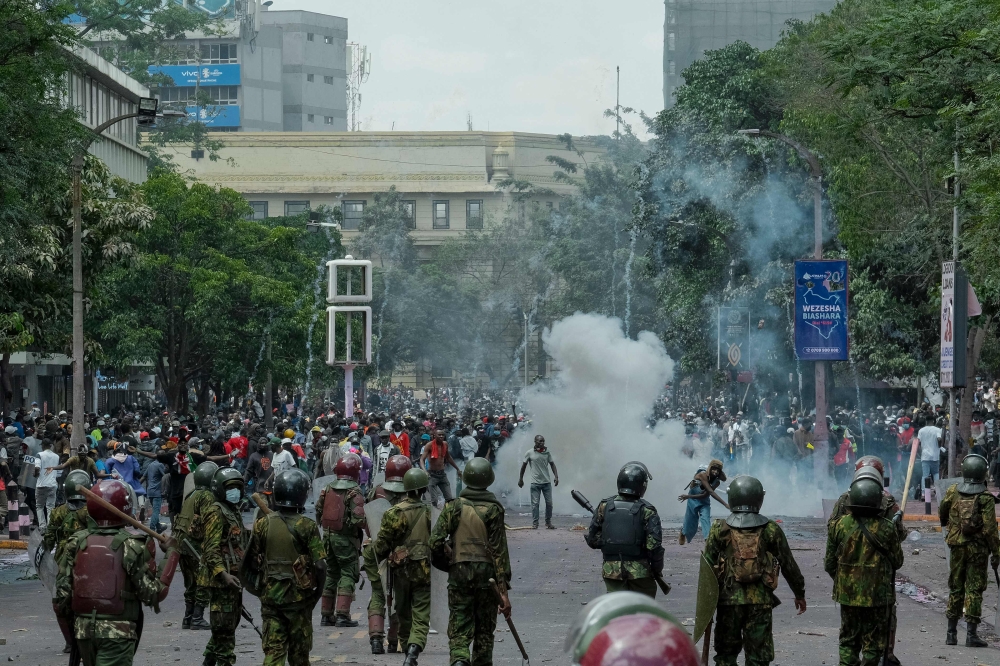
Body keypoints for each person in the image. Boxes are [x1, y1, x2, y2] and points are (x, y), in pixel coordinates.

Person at [54, 478, 181, 666]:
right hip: (117, 634)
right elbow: (154, 593)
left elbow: (60, 598)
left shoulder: (76, 543)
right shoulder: (131, 545)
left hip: (83, 632)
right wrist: (172, 554)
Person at [705, 475, 807, 666]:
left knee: (725, 655)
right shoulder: (770, 529)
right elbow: (788, 564)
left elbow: (707, 569)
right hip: (760, 603)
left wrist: (705, 607)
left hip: (728, 603)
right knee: (759, 657)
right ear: (759, 498)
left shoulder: (719, 528)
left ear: (731, 498)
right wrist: (799, 593)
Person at [429, 457, 512, 666]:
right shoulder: (495, 510)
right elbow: (500, 553)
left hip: (459, 572)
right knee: (484, 629)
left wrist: (447, 563)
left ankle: (459, 660)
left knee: (459, 625)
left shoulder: (453, 507)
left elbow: (434, 541)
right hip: (488, 577)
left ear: (466, 478)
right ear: (489, 480)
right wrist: (504, 593)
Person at [243, 469, 326, 666]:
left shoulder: (262, 525)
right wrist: (316, 594)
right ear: (302, 495)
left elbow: (251, 562)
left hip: (271, 599)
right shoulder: (307, 526)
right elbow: (321, 565)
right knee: (299, 656)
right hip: (299, 600)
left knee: (273, 652)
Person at [826, 475, 904, 664]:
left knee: (848, 641)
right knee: (873, 644)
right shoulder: (886, 528)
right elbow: (897, 561)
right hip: (877, 597)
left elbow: (829, 564)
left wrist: (845, 580)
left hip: (848, 595)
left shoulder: (839, 525)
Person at [373, 468, 433, 666]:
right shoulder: (430, 512)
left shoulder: (393, 513)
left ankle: (407, 648)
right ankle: (414, 649)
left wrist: (382, 556)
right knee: (421, 611)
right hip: (423, 569)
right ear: (424, 489)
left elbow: (381, 545)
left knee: (402, 610)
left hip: (400, 570)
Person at [939, 453, 1000, 647]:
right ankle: (971, 635)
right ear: (982, 473)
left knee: (956, 586)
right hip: (977, 549)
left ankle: (951, 633)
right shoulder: (985, 497)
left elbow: (942, 510)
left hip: (956, 545)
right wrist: (997, 552)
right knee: (974, 588)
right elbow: (991, 529)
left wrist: (947, 525)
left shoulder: (953, 490)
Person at [584, 462, 664, 597]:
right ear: (642, 486)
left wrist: (609, 538)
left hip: (611, 571)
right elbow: (654, 547)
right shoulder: (647, 510)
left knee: (617, 610)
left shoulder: (604, 506)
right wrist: (657, 570)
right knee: (643, 610)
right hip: (640, 573)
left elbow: (592, 541)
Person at [362, 454, 412, 654]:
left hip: (373, 548)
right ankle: (394, 641)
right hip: (401, 554)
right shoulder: (412, 493)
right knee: (399, 595)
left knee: (378, 593)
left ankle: (375, 639)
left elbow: (365, 520)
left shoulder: (375, 491)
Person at [200, 467, 249, 666]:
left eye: (238, 487)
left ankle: (210, 661)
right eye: (230, 488)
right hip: (221, 581)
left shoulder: (233, 510)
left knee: (228, 623)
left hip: (234, 578)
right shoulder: (216, 511)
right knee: (224, 629)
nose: (235, 491)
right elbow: (210, 549)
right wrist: (223, 574)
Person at [43, 470, 92, 655]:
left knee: (59, 604)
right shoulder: (91, 511)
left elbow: (48, 540)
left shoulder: (58, 512)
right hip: (88, 562)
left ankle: (70, 642)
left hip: (62, 566)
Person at [315, 453, 366, 627]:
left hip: (328, 538)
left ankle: (326, 615)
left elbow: (318, 510)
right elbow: (359, 519)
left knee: (331, 573)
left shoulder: (328, 488)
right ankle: (343, 615)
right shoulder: (354, 491)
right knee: (347, 573)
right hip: (345, 540)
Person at [174, 461, 219, 631]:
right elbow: (209, 522)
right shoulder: (207, 496)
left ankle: (188, 617)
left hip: (182, 544)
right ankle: (198, 617)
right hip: (194, 545)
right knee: (203, 582)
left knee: (190, 583)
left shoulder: (191, 494)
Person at [677, 459, 728, 545]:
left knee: (705, 519)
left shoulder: (717, 482)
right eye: (714, 469)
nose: (715, 472)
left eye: (718, 470)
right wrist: (725, 504)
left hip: (704, 501)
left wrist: (688, 496)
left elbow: (705, 495)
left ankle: (708, 541)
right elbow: (711, 492)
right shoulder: (702, 475)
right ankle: (683, 532)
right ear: (710, 468)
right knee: (691, 520)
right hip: (693, 499)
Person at [517, 434, 559, 529]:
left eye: (543, 441)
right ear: (535, 442)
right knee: (535, 504)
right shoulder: (529, 453)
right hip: (535, 483)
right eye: (540, 441)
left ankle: (548, 522)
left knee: (549, 503)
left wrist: (556, 477)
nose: (542, 443)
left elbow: (552, 464)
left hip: (546, 483)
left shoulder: (547, 452)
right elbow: (523, 466)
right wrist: (521, 479)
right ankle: (535, 523)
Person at [419, 429, 461, 508]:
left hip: (442, 474)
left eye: (443, 435)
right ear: (434, 436)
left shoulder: (445, 444)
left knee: (449, 499)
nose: (441, 436)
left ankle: (447, 516)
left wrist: (457, 468)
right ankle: (435, 518)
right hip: (432, 475)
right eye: (439, 435)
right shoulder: (429, 445)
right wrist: (424, 471)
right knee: (434, 501)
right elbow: (421, 459)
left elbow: (448, 457)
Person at [916, 417, 944, 500]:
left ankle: (924, 494)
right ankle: (937, 492)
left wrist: (922, 450)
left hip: (925, 456)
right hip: (935, 456)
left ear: (926, 421)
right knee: (936, 474)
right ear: (933, 421)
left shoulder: (921, 430)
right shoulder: (937, 429)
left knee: (925, 475)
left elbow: (918, 442)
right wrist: (939, 445)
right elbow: (939, 438)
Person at [36, 438, 60, 530]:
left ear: (42, 445)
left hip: (41, 485)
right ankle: (50, 527)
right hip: (52, 484)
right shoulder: (56, 457)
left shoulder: (39, 455)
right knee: (50, 507)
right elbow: (59, 473)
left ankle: (42, 527)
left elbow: (37, 468)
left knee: (39, 506)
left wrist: (35, 474)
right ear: (50, 446)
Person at [141, 457, 167, 534]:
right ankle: (152, 528)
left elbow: (143, 477)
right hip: (157, 491)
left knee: (155, 509)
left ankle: (159, 527)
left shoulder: (150, 465)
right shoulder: (160, 465)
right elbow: (165, 476)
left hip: (150, 491)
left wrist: (137, 486)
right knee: (156, 511)